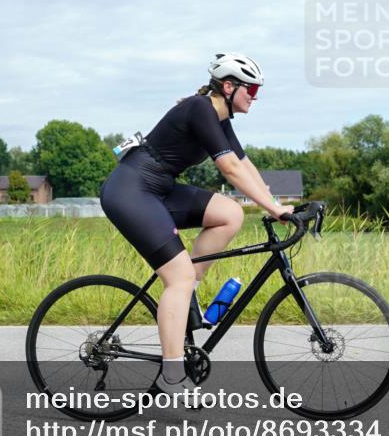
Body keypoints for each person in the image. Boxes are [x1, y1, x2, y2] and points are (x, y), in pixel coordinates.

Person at [99, 53, 295, 394]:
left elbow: (244, 164)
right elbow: (229, 170)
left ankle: (187, 296)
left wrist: (276, 204)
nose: (255, 97)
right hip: (130, 191)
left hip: (159, 189)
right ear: (229, 87)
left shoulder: (220, 118)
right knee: (179, 277)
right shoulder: (199, 108)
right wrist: (274, 209)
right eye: (251, 89)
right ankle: (172, 375)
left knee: (230, 214)